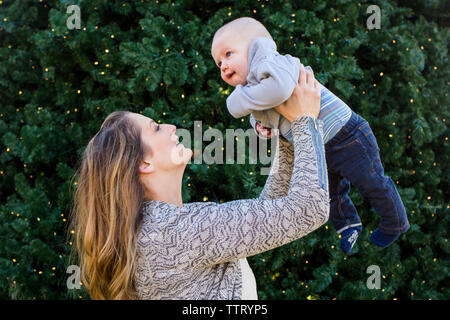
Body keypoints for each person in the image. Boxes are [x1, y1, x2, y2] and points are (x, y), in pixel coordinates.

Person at [70, 67, 329, 299]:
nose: (171, 127)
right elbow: (308, 209)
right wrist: (305, 121)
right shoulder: (175, 232)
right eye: (156, 128)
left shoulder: (159, 230)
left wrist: (285, 134)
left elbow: (272, 213)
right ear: (144, 164)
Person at [210, 17, 410, 254]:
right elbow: (264, 111)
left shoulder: (271, 64)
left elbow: (280, 90)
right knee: (331, 193)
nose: (223, 65)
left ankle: (396, 222)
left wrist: (235, 102)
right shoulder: (254, 87)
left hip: (347, 135)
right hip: (320, 143)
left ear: (255, 46)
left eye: (228, 54)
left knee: (372, 183)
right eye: (218, 62)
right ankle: (349, 225)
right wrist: (260, 126)